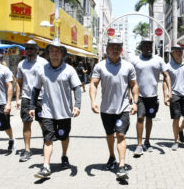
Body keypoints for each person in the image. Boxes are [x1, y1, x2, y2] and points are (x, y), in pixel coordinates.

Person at [30, 39, 82, 178]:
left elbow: (77, 88)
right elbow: (35, 89)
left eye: (58, 51)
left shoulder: (69, 69)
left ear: (62, 54)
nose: (55, 54)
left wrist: (77, 106)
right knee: (48, 138)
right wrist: (32, 106)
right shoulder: (42, 70)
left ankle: (64, 156)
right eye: (52, 51)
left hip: (65, 112)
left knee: (64, 136)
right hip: (47, 111)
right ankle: (46, 166)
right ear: (48, 54)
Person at [90, 38, 139, 180]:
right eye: (112, 47)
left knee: (121, 134)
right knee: (110, 135)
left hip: (123, 108)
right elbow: (93, 84)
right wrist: (93, 101)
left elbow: (134, 85)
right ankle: (112, 156)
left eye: (118, 47)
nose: (115, 50)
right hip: (106, 109)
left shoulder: (128, 66)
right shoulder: (100, 66)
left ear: (121, 50)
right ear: (107, 49)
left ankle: (121, 166)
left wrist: (135, 102)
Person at [131, 38, 171, 156]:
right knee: (140, 118)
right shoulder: (135, 61)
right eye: (146, 45)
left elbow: (166, 75)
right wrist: (129, 94)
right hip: (140, 96)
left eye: (150, 45)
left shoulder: (158, 60)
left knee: (149, 118)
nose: (148, 47)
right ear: (141, 47)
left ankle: (147, 141)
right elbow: (129, 79)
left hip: (153, 96)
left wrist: (170, 91)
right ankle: (139, 145)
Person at [16, 40, 48, 162]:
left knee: (43, 123)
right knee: (26, 123)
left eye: (31, 48)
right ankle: (27, 150)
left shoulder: (43, 63)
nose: (29, 50)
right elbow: (19, 83)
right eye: (27, 48)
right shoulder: (21, 64)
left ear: (36, 50)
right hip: (27, 98)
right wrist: (18, 99)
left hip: (41, 98)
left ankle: (46, 144)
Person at [163, 44, 184, 151]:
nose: (178, 52)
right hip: (174, 95)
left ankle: (180, 129)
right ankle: (176, 140)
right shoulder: (168, 66)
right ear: (172, 53)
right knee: (176, 118)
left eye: (180, 50)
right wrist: (166, 96)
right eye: (176, 51)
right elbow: (164, 82)